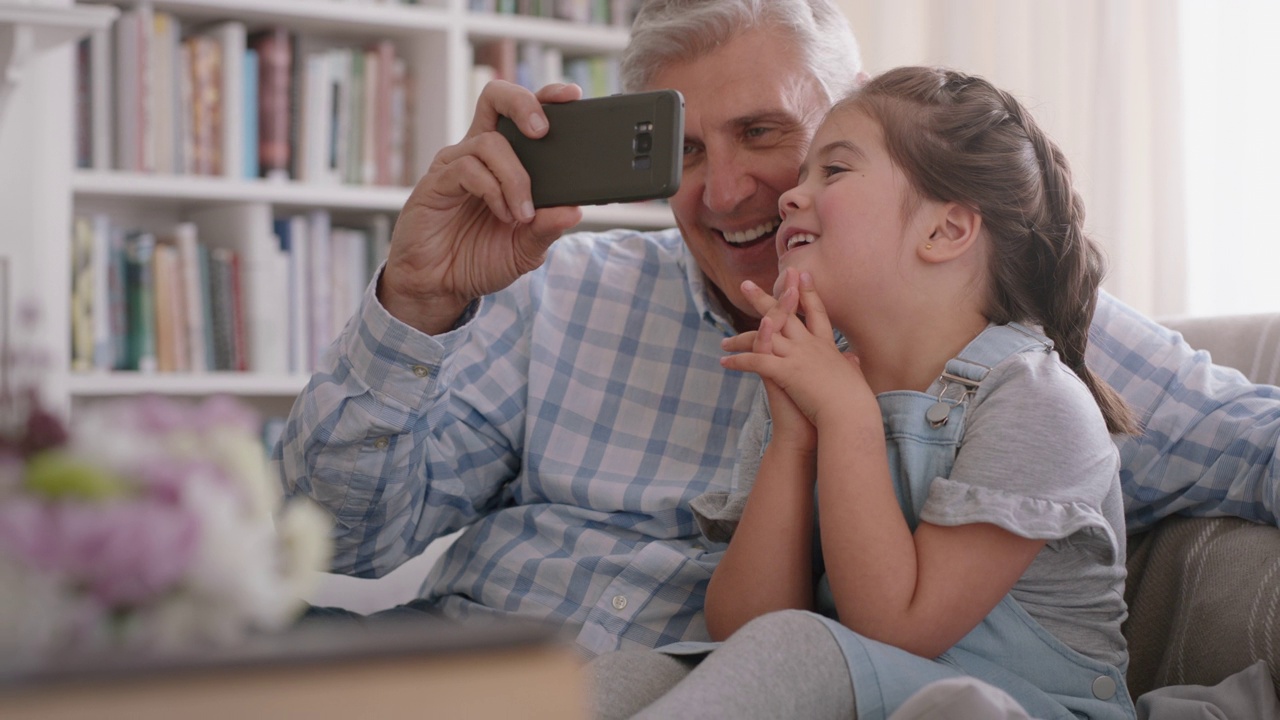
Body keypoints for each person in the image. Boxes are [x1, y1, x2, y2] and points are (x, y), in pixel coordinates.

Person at [278, 0, 1280, 660]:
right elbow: (339, 541)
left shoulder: (996, 340)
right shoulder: (555, 289)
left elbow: (1246, 445)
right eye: (683, 151)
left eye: (769, 136)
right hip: (446, 659)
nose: (725, 191)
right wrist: (415, 305)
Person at [589, 64, 1138, 720]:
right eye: (803, 174)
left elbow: (897, 626)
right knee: (637, 673)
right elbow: (740, 631)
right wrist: (792, 440)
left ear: (946, 231)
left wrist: (847, 419)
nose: (791, 197)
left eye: (835, 171)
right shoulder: (812, 384)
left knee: (801, 648)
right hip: (852, 690)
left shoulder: (1036, 404)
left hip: (1014, 708)